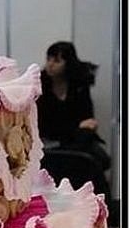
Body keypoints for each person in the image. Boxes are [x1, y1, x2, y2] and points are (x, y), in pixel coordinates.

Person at [37, 41, 111, 172]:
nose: (50, 65)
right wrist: (76, 127)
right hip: (49, 140)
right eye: (48, 59)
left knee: (97, 160)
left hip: (75, 141)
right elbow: (42, 124)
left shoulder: (79, 85)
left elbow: (88, 119)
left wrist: (77, 128)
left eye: (57, 61)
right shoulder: (40, 85)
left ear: (68, 63)